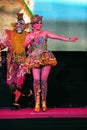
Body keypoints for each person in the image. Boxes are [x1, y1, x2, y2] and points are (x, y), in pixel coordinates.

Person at [14, 14, 78, 112]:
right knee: (36, 81)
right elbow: (23, 45)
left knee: (43, 81)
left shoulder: (45, 33)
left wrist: (70, 39)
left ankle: (43, 102)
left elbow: (58, 37)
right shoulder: (29, 35)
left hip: (45, 57)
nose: (40, 25)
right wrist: (29, 39)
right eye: (37, 23)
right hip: (34, 58)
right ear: (33, 25)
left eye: (40, 23)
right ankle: (37, 102)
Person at [3, 13, 33, 109]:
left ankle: (16, 103)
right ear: (15, 26)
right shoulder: (10, 36)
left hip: (23, 63)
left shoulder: (28, 36)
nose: (19, 26)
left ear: (25, 26)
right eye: (18, 24)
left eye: (22, 24)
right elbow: (3, 45)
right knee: (10, 83)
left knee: (18, 82)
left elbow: (31, 50)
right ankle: (27, 93)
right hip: (12, 63)